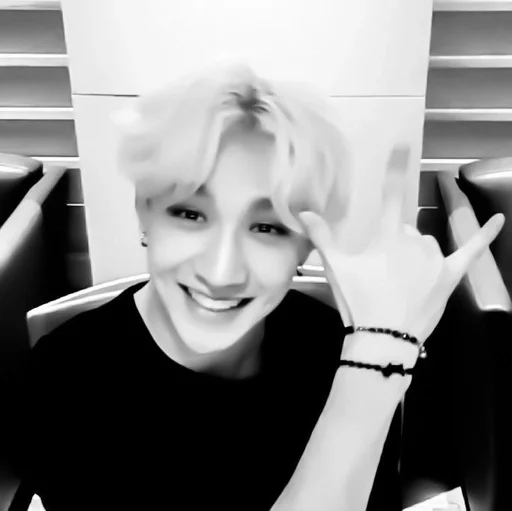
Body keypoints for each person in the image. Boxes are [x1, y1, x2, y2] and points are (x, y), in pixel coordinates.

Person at [0, 62, 504, 511]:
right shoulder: (63, 380)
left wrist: (376, 358)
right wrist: (372, 372)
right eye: (189, 213)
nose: (222, 272)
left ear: (306, 246)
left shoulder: (338, 348)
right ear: (144, 213)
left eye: (267, 227)